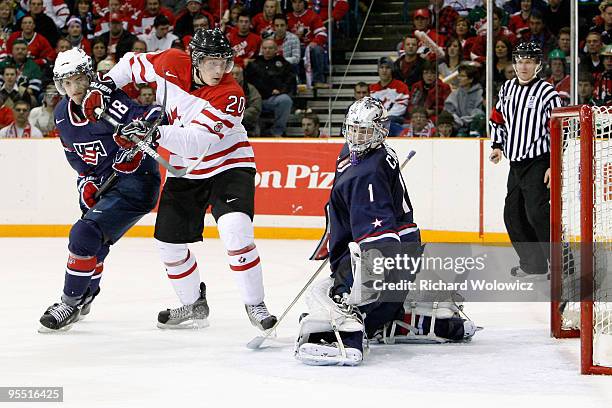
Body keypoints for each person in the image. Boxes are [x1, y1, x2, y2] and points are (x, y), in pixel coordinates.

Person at [81, 28, 278, 330]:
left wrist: (151, 132)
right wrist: (105, 85)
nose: (219, 70)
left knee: (235, 229)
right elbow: (132, 64)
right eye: (212, 62)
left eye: (224, 62)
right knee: (167, 243)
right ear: (195, 60)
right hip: (187, 169)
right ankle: (193, 304)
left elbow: (197, 142)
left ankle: (255, 304)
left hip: (229, 163)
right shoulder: (172, 61)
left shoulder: (231, 94)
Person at [295, 97, 476, 366]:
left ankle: (347, 335)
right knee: (387, 290)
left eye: (365, 131)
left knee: (338, 292)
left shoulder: (366, 173)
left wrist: (357, 286)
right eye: (353, 129)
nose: (357, 137)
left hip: (387, 251)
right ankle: (391, 319)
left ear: (380, 130)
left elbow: (376, 239)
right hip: (407, 250)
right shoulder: (371, 155)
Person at [38, 48, 161, 332]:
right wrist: (86, 182)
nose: (75, 89)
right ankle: (87, 294)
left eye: (79, 80)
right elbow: (78, 160)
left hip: (137, 183)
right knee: (95, 242)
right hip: (107, 185)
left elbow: (155, 114)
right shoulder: (61, 116)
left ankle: (69, 302)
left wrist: (139, 131)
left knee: (83, 233)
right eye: (67, 83)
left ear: (90, 77)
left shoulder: (108, 102)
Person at [489, 41, 562, 277]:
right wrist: (498, 145)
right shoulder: (507, 89)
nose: (523, 66)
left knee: (537, 213)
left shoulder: (548, 93)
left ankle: (563, 263)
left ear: (538, 65)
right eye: (519, 61)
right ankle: (534, 264)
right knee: (512, 214)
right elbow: (497, 117)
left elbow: (560, 131)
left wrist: (553, 164)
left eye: (528, 61)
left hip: (539, 161)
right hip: (516, 162)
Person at [245, 38, 295, 137]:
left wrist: (281, 91)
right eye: (265, 48)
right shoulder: (254, 64)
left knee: (285, 100)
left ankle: (277, 131)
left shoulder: (283, 63)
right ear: (261, 49)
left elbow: (290, 81)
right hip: (255, 100)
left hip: (272, 99)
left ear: (276, 49)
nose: (267, 50)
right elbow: (247, 84)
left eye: (270, 48)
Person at [369, 57, 409, 137]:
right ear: (378, 70)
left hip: (394, 121)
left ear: (392, 70)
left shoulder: (401, 86)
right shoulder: (371, 88)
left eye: (387, 68)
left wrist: (382, 119)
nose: (384, 70)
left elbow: (400, 109)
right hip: (376, 123)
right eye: (381, 67)